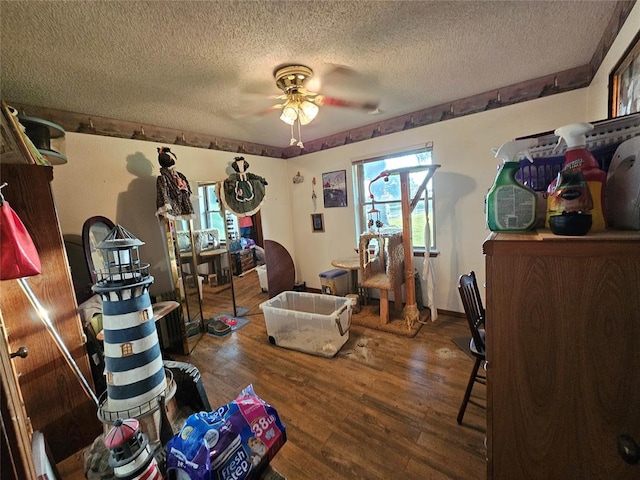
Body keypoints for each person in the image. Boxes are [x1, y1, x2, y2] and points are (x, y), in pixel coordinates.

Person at [155, 147, 194, 220]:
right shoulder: (163, 178)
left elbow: (187, 190)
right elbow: (163, 194)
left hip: (179, 199)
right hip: (171, 202)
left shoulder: (179, 175)